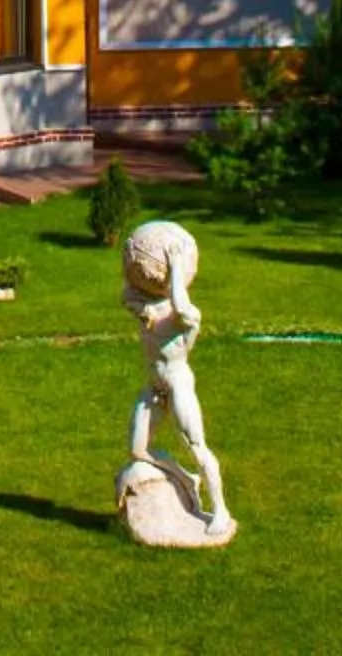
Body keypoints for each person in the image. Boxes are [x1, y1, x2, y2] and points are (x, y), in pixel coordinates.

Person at [122, 219, 230, 534]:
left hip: (178, 386)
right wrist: (134, 263)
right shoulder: (152, 309)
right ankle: (185, 479)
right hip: (154, 388)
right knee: (137, 449)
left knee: (197, 446)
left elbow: (182, 306)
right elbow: (126, 294)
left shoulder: (188, 319)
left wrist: (176, 264)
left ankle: (220, 509)